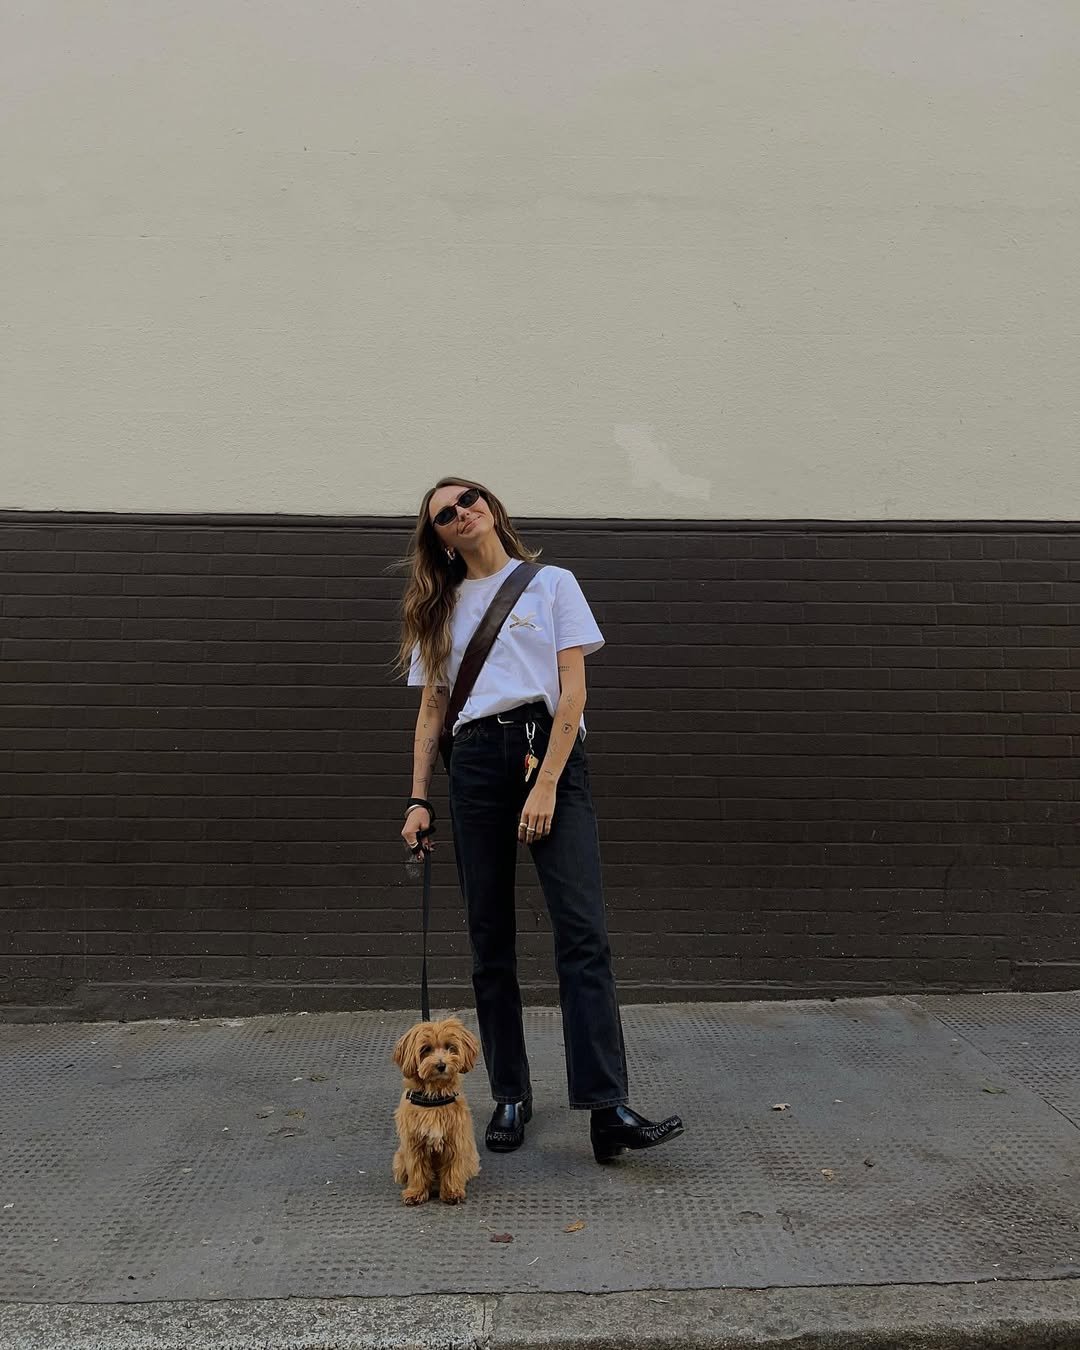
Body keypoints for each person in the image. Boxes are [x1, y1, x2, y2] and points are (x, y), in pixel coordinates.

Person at [393, 476, 683, 1163]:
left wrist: (548, 783)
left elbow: (573, 689)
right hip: (474, 766)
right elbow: (433, 710)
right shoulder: (438, 607)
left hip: (544, 753)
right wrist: (417, 796)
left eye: (469, 501)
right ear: (437, 536)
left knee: (583, 935)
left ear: (490, 507)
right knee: (489, 941)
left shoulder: (553, 584)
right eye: (445, 514)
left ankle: (606, 1106)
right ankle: (510, 1094)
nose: (462, 514)